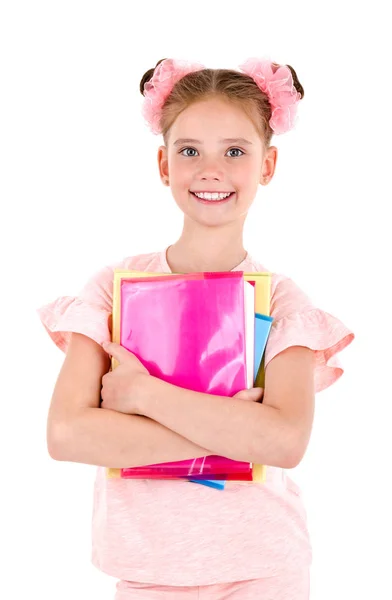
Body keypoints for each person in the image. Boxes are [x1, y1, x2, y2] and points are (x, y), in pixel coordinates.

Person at [37, 57, 355, 599]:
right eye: (190, 151)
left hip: (263, 569)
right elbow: (67, 434)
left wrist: (142, 394)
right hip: (146, 572)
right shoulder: (112, 288)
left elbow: (284, 441)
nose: (211, 169)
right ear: (164, 165)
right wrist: (234, 428)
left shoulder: (281, 301)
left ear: (267, 165)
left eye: (235, 151)